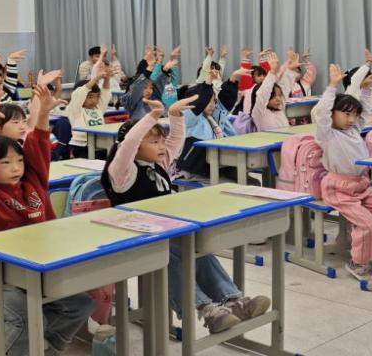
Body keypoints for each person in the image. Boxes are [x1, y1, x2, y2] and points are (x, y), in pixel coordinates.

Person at [102, 97, 271, 333]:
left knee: (198, 252)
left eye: (161, 141)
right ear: (135, 145)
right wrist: (151, 116)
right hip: (132, 241)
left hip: (162, 234)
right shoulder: (122, 172)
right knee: (169, 255)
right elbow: (128, 145)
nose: (162, 146)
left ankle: (234, 301)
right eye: (154, 142)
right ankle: (207, 310)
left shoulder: (158, 164)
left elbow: (176, 141)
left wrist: (175, 116)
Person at [0, 82, 93, 356]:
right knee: (24, 318)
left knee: (80, 304)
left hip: (34, 269)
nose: (15, 168)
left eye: (19, 161)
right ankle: (8, 346)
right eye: (5, 163)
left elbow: (39, 147)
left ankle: (43, 347)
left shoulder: (33, 183)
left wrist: (42, 114)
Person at [317, 64, 372, 281]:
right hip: (338, 189)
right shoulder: (327, 134)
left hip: (361, 187)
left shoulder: (354, 129)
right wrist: (332, 86)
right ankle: (358, 262)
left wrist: (366, 90)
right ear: (332, 114)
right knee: (368, 224)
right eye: (346, 114)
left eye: (354, 115)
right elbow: (321, 113)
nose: (351, 119)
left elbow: (365, 112)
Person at [65, 53, 113, 158]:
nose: (94, 100)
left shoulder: (98, 108)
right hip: (81, 145)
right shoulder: (75, 109)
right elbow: (80, 93)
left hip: (99, 143)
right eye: (90, 97)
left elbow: (105, 93)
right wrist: (95, 79)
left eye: (96, 97)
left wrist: (107, 79)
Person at [251, 52, 290, 132]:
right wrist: (272, 72)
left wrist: (291, 69)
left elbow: (286, 86)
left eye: (279, 95)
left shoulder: (280, 109)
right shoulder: (259, 113)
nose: (278, 99)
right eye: (273, 96)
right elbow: (263, 94)